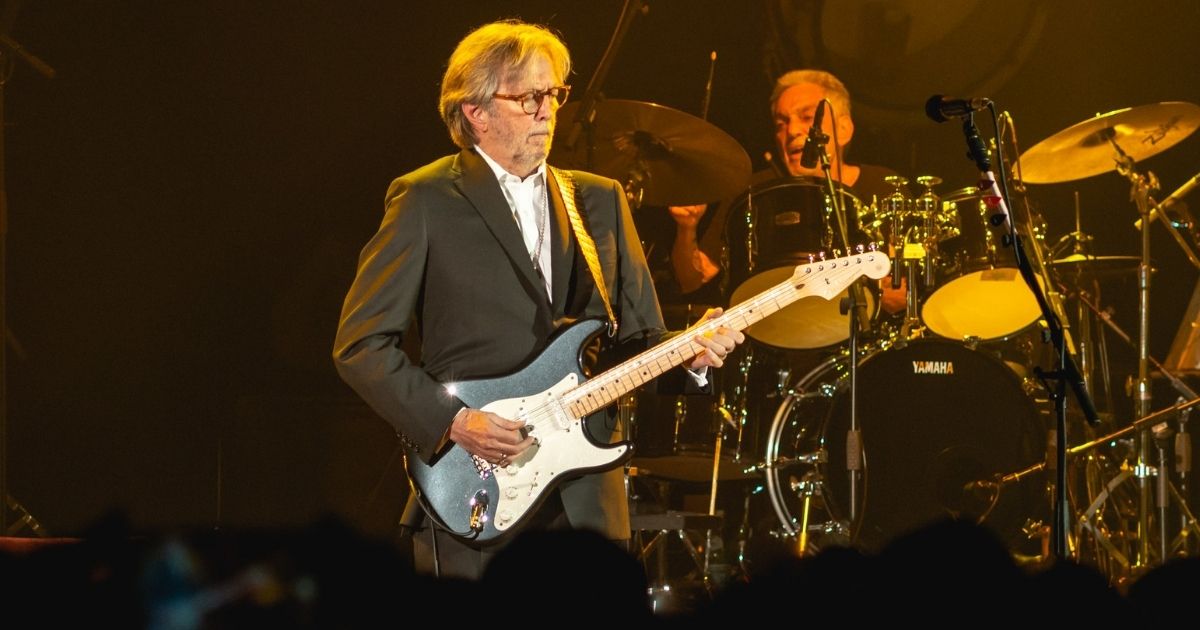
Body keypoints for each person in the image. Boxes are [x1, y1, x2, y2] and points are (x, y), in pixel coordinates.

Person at [332, 19, 744, 580]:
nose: (547, 110)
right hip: (476, 485)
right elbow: (360, 346)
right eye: (527, 97)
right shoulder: (425, 198)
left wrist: (689, 357)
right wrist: (454, 422)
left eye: (552, 94)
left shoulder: (599, 199)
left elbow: (638, 343)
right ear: (475, 111)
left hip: (587, 497)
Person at [668, 69, 905, 314]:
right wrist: (686, 229)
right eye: (782, 124)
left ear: (844, 128)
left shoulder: (885, 186)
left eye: (807, 117)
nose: (792, 131)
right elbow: (693, 280)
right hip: (775, 334)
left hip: (863, 335)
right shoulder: (753, 191)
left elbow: (907, 288)